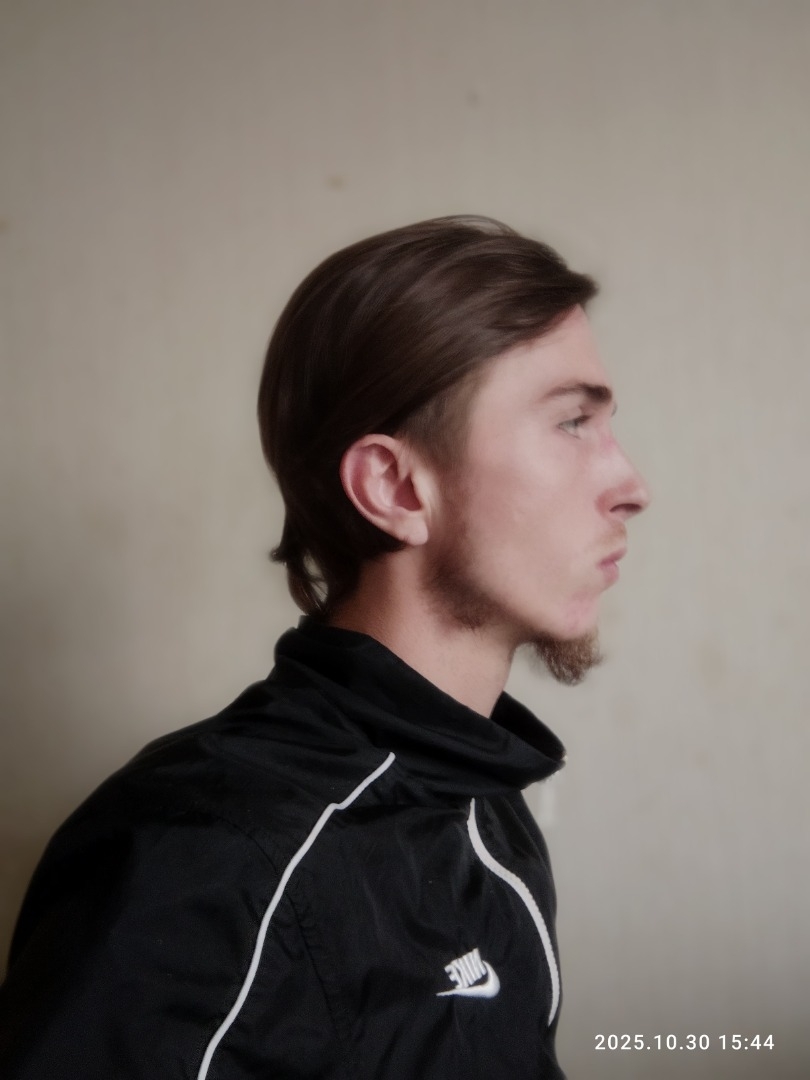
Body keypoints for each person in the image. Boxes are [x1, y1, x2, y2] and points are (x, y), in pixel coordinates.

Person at [0, 215, 649, 1078]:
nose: (630, 486)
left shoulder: (486, 808)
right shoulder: (198, 856)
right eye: (571, 423)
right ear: (394, 487)